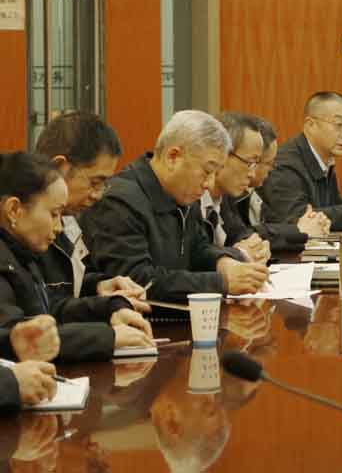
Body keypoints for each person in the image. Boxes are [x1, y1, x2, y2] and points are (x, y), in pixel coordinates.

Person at [81, 110, 270, 302]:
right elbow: (137, 280)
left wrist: (223, 263)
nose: (209, 184)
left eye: (216, 173)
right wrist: (221, 282)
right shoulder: (118, 202)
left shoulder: (184, 195)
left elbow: (197, 249)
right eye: (207, 171)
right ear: (173, 157)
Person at [0, 153, 154, 363]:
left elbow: (49, 311)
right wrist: (107, 337)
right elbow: (20, 339)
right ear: (14, 210)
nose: (59, 227)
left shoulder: (22, 253)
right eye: (54, 214)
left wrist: (109, 308)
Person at [32, 111, 151, 305]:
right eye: (95, 182)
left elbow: (64, 285)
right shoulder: (24, 226)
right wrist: (104, 308)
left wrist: (98, 286)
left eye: (104, 184)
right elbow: (43, 307)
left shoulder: (68, 218)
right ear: (60, 167)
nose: (98, 195)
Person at [259, 91, 342, 231]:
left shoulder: (323, 158)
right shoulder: (285, 164)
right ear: (310, 125)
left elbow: (332, 205)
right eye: (338, 124)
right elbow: (298, 218)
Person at [235, 116, 330, 248]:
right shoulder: (232, 193)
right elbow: (241, 236)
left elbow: (274, 224)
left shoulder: (254, 191)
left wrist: (311, 223)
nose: (272, 169)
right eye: (268, 163)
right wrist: (299, 231)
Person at [199, 112, 274, 263]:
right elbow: (195, 258)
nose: (252, 174)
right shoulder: (188, 198)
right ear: (223, 154)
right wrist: (239, 253)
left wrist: (257, 247)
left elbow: (239, 235)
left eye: (256, 164)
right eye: (249, 163)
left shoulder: (225, 197)